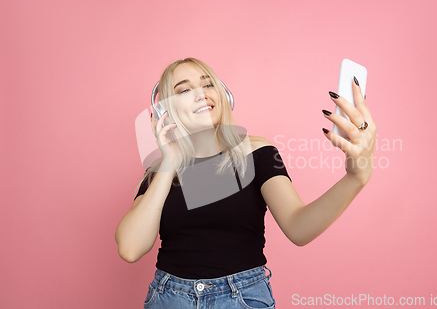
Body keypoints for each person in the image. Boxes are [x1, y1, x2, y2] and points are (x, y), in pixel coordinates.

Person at [115, 57, 377, 308]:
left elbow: (299, 228)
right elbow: (130, 248)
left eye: (208, 85)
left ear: (223, 96)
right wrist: (169, 162)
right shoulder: (159, 173)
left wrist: (355, 179)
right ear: (164, 111)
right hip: (170, 299)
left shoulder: (257, 153)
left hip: (241, 298)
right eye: (184, 90)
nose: (202, 94)